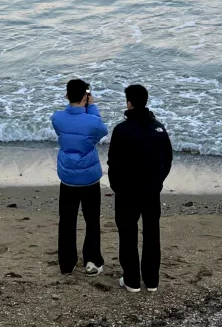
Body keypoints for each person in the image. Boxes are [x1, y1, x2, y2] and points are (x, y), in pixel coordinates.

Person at [107, 83, 172, 292]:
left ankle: (132, 279)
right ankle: (152, 280)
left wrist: (116, 186)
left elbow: (113, 162)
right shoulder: (159, 128)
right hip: (151, 190)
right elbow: (168, 160)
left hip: (127, 191)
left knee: (127, 233)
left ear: (129, 103)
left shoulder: (121, 129)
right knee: (152, 233)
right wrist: (158, 181)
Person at [51, 78, 108, 275]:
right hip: (89, 177)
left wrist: (82, 105)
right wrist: (91, 107)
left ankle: (66, 264)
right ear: (86, 96)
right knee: (92, 219)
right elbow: (101, 131)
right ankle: (92, 260)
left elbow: (68, 128)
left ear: (67, 95)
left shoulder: (57, 118)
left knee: (67, 220)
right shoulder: (93, 120)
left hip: (67, 177)